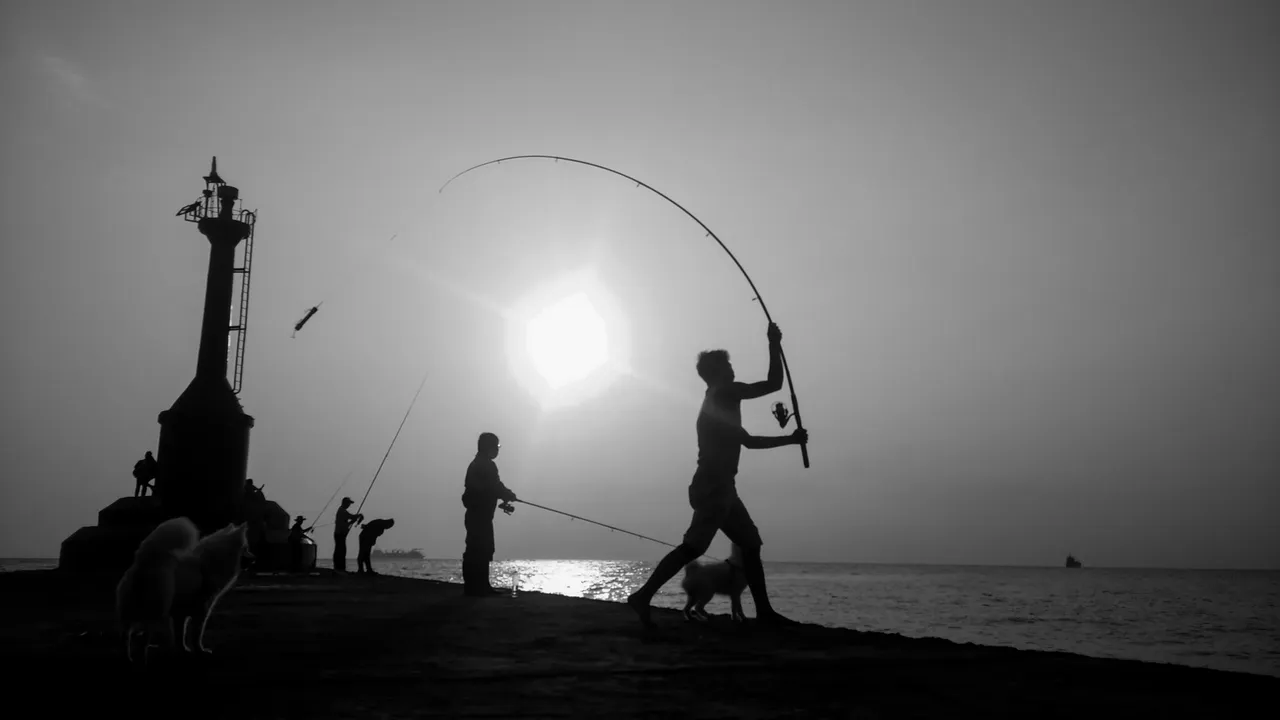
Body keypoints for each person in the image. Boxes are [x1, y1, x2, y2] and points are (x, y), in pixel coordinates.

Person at [627, 322, 808, 629]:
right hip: (714, 488)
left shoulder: (715, 397)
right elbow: (772, 388)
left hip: (721, 487)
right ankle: (642, 596)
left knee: (750, 543)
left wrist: (790, 439)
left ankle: (764, 611)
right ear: (718, 372)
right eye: (727, 365)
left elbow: (747, 436)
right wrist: (773, 344)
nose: (732, 368)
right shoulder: (725, 394)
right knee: (693, 548)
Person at [461, 432, 518, 597]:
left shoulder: (476, 463)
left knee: (475, 549)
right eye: (497, 446)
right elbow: (495, 486)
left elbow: (490, 488)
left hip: (476, 515)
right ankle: (479, 587)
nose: (498, 450)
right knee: (481, 549)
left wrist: (504, 494)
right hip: (480, 516)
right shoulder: (486, 465)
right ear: (489, 447)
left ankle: (474, 587)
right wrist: (509, 495)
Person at [333, 497, 363, 574]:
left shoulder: (342, 511)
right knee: (341, 551)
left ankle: (339, 567)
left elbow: (347, 521)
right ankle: (340, 568)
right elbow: (351, 516)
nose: (349, 505)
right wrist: (359, 515)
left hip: (340, 534)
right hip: (340, 534)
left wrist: (352, 521)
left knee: (340, 550)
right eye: (349, 503)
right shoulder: (342, 511)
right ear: (345, 503)